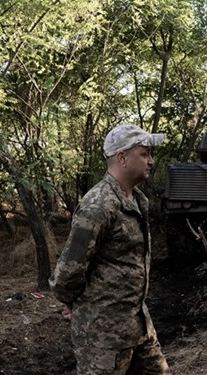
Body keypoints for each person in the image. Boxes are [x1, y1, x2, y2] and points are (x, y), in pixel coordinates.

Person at [50, 124, 170, 374]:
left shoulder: (137, 200)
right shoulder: (98, 205)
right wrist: (80, 306)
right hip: (103, 335)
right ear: (122, 157)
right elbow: (68, 272)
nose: (151, 161)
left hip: (138, 325)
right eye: (145, 154)